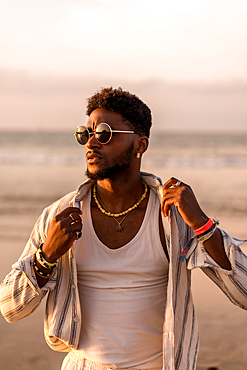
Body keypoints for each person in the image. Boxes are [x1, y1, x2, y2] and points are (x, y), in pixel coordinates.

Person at [0, 87, 247, 370]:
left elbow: (244, 292)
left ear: (140, 145)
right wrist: (46, 257)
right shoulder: (60, 216)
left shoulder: (173, 218)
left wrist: (203, 224)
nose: (91, 143)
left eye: (104, 133)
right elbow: (9, 308)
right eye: (85, 133)